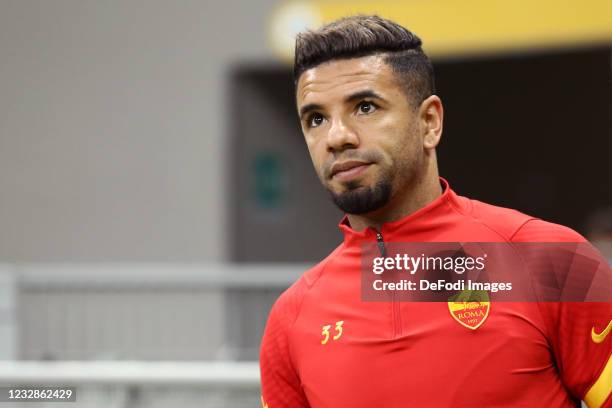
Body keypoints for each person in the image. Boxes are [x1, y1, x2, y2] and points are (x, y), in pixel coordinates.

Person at [259, 15, 611, 408]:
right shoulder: (292, 319)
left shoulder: (550, 264)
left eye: (365, 107)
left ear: (430, 122)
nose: (337, 136)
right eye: (316, 118)